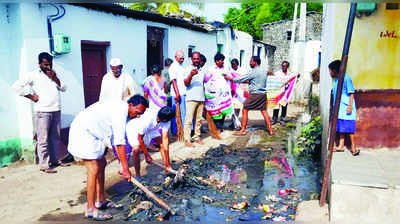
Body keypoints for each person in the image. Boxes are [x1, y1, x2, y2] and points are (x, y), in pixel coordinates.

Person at [68, 95, 148, 221]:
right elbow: (119, 142)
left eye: (141, 114)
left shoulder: (125, 112)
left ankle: (100, 200)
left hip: (95, 134)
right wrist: (126, 169)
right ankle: (90, 209)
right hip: (83, 132)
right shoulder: (121, 112)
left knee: (102, 163)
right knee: (93, 168)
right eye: (137, 112)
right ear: (131, 104)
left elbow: (115, 139)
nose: (138, 116)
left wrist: (122, 165)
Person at [13, 52, 67, 173]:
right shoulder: (32, 75)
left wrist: (55, 78)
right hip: (43, 111)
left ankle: (55, 160)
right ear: (40, 64)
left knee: (55, 137)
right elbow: (16, 86)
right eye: (45, 64)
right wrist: (31, 97)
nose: (48, 67)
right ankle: (44, 164)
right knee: (43, 138)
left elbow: (64, 88)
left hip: (56, 109)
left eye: (50, 64)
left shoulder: (53, 74)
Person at [226, 56, 274, 136]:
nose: (250, 63)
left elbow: (242, 78)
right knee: (264, 111)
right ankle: (271, 130)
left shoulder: (253, 71)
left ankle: (243, 130)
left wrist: (231, 79)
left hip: (255, 94)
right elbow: (253, 81)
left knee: (245, 109)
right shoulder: (264, 71)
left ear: (255, 62)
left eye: (251, 61)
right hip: (262, 94)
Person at [126, 106, 175, 177]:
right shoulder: (148, 119)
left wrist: (168, 164)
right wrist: (147, 155)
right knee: (136, 149)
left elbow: (165, 141)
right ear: (163, 120)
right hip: (134, 127)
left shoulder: (167, 119)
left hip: (152, 128)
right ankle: (138, 175)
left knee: (161, 143)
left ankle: (167, 167)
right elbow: (140, 139)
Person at [329, 60, 359, 156]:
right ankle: (341, 146)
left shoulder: (346, 78)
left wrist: (350, 106)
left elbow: (351, 93)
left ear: (334, 70)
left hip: (346, 108)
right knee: (341, 128)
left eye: (330, 71)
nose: (330, 73)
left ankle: (354, 148)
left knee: (350, 128)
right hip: (339, 109)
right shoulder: (337, 80)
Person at [204, 53, 233, 131]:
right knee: (216, 111)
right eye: (221, 60)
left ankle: (220, 125)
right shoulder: (211, 70)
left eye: (223, 60)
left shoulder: (225, 69)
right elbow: (206, 80)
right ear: (216, 61)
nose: (223, 62)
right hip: (215, 94)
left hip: (224, 94)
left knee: (223, 110)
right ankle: (216, 126)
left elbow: (231, 78)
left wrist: (228, 77)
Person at [183, 51, 205, 147]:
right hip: (191, 98)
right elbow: (186, 84)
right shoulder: (187, 69)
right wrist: (191, 75)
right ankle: (187, 139)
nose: (196, 60)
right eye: (194, 58)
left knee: (199, 120)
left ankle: (196, 137)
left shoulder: (202, 70)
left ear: (200, 59)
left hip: (201, 98)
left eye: (197, 58)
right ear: (191, 59)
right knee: (188, 120)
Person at [169, 50, 187, 135]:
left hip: (184, 92)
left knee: (183, 113)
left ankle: (182, 130)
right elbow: (173, 80)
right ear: (175, 57)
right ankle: (175, 131)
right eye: (180, 58)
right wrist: (177, 93)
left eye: (183, 58)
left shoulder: (182, 66)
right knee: (176, 113)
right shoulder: (173, 67)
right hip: (177, 94)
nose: (182, 60)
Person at [227, 58, 248, 130]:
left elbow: (245, 81)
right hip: (233, 93)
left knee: (238, 108)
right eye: (232, 65)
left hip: (240, 92)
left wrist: (246, 91)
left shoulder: (242, 71)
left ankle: (233, 123)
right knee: (233, 108)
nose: (233, 66)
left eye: (234, 65)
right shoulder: (229, 72)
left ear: (237, 64)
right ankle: (237, 124)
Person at [272, 61, 295, 125]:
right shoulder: (277, 73)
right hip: (278, 92)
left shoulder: (290, 74)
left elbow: (294, 80)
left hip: (286, 93)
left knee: (284, 105)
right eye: (282, 66)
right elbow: (273, 80)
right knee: (276, 106)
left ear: (287, 66)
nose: (283, 67)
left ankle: (282, 119)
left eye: (284, 66)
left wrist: (297, 77)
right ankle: (274, 119)